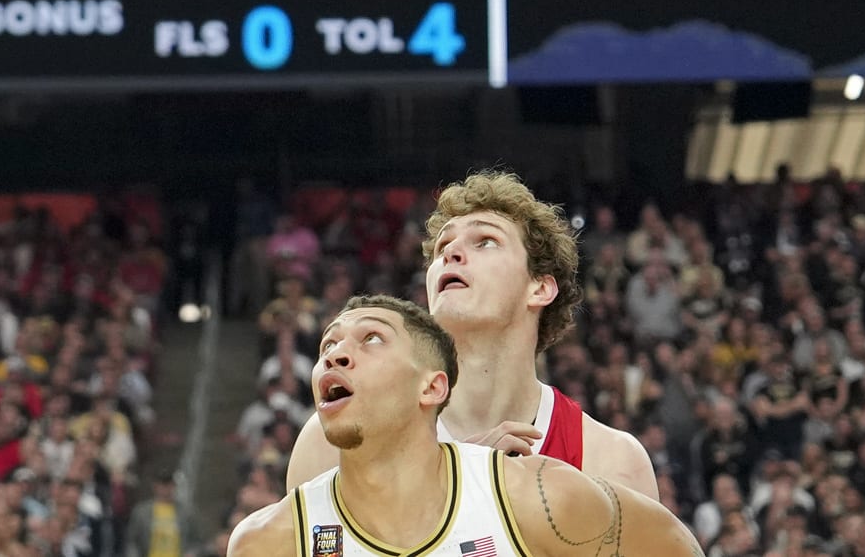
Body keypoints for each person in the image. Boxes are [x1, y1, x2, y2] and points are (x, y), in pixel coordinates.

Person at [287, 171, 658, 496]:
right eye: (443, 248)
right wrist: (461, 479)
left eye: (485, 242)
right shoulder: (336, 443)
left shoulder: (610, 461)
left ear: (540, 288)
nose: (451, 254)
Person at [234, 297, 697, 557]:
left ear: (432, 388)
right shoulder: (268, 540)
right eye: (327, 345)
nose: (333, 355)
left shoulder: (534, 495)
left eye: (371, 338)